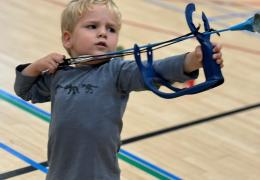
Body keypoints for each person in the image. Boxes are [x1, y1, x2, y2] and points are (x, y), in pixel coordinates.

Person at [14, 0, 224, 179]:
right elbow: (25, 90)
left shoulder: (117, 72)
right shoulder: (59, 74)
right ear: (68, 38)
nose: (103, 33)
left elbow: (155, 70)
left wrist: (193, 60)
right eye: (92, 26)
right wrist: (37, 66)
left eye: (111, 29)